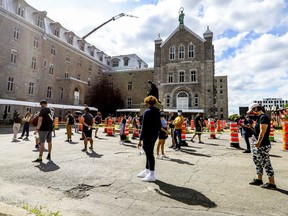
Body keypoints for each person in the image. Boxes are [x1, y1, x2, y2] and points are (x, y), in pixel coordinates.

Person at [247, 103, 276, 189]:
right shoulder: (259, 118)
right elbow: (257, 131)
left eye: (252, 111)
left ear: (256, 109)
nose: (252, 113)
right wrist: (251, 128)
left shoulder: (263, 117)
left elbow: (262, 132)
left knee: (266, 163)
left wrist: (259, 143)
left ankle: (272, 183)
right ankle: (259, 179)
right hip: (257, 143)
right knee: (257, 162)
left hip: (262, 144)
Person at [137, 95, 161, 182]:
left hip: (147, 135)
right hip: (154, 135)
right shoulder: (157, 112)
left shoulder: (147, 112)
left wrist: (140, 139)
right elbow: (159, 125)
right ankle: (147, 170)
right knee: (149, 153)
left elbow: (144, 126)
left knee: (149, 154)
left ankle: (152, 173)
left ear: (147, 103)